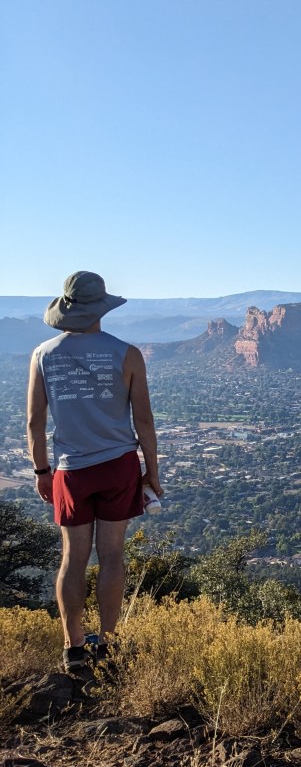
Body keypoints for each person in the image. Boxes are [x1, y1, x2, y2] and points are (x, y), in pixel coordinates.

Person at [26, 271, 163, 673]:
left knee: (73, 558)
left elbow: (35, 423)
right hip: (118, 467)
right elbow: (145, 422)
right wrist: (151, 471)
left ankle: (73, 649)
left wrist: (41, 471)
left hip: (71, 471)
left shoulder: (43, 354)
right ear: (102, 307)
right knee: (113, 556)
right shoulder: (127, 353)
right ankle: (109, 644)